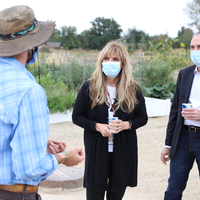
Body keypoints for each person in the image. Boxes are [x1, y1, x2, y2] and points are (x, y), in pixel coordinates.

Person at [0, 5, 84, 200]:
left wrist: (34, 142)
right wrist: (64, 157)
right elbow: (29, 168)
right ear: (31, 46)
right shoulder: (29, 91)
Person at [72, 41, 148, 200]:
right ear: (101, 62)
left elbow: (143, 117)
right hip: (97, 151)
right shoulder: (89, 87)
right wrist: (96, 126)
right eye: (106, 58)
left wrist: (127, 124)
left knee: (116, 195)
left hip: (123, 151)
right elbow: (77, 116)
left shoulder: (133, 89)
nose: (110, 62)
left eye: (115, 59)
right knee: (94, 195)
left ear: (122, 64)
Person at [161, 32, 200, 199]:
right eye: (192, 47)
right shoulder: (185, 74)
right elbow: (175, 111)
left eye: (199, 47)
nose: (195, 51)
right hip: (183, 137)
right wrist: (168, 144)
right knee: (173, 189)